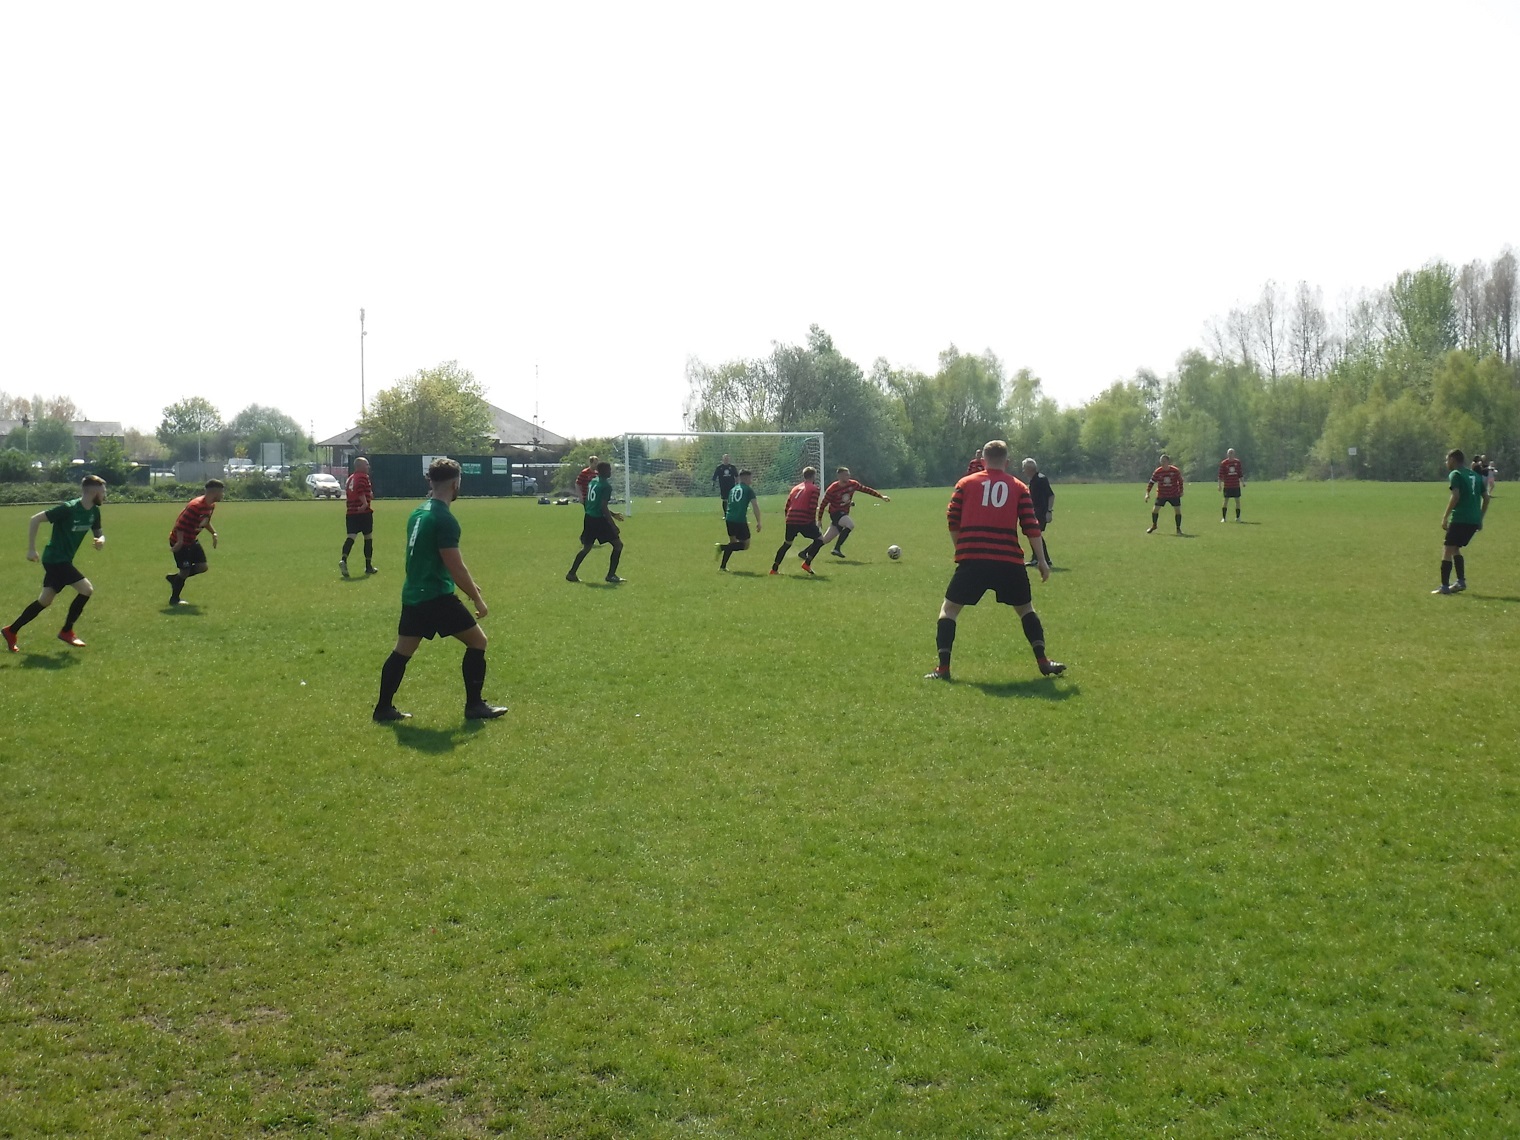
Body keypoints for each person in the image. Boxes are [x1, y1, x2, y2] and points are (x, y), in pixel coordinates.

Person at [373, 457, 507, 722]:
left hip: (414, 593)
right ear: (456, 484)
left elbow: (428, 556)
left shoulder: (418, 512)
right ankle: (474, 706)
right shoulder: (444, 518)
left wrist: (467, 586)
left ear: (431, 482)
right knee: (478, 641)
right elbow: (455, 566)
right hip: (436, 596)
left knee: (402, 651)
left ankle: (383, 709)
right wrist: (477, 599)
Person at [925, 440, 1064, 681]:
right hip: (1008, 560)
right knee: (1025, 610)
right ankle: (1043, 661)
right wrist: (1041, 561)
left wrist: (962, 549)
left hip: (973, 560)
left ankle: (943, 668)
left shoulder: (965, 483)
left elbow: (952, 519)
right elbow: (1031, 527)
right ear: (1007, 462)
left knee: (949, 611)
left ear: (982, 461)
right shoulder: (1020, 487)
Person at [3, 475, 107, 652]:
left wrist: (101, 540)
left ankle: (11, 631)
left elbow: (99, 533)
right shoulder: (68, 509)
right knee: (86, 589)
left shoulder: (94, 511)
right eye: (104, 492)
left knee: (45, 600)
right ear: (94, 491)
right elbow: (35, 519)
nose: (105, 495)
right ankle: (67, 631)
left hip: (63, 560)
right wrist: (31, 549)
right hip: (55, 559)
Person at [1433, 448, 1490, 595]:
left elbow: (1455, 496)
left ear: (1453, 460)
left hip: (1460, 518)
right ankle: (1460, 582)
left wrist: (1445, 516)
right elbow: (1487, 498)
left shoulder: (1456, 474)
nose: (1446, 463)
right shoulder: (1475, 475)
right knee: (1455, 548)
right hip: (1473, 520)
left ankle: (1444, 587)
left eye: (1447, 460)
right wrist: (1480, 518)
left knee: (1447, 549)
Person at [166, 479, 226, 605]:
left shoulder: (211, 506)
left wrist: (213, 533)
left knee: (202, 567)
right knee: (185, 571)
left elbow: (205, 521)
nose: (222, 495)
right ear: (214, 492)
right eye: (221, 492)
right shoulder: (195, 506)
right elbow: (180, 525)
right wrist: (180, 542)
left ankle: (175, 579)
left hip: (191, 539)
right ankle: (174, 599)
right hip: (180, 541)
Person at [567, 461, 625, 583]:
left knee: (586, 548)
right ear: (603, 471)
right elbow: (603, 507)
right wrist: (613, 525)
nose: (610, 472)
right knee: (618, 545)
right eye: (609, 470)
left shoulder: (593, 481)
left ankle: (571, 573)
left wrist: (613, 514)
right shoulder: (606, 486)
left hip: (589, 517)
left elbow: (595, 502)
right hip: (599, 519)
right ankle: (611, 575)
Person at [817, 466, 891, 557]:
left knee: (826, 539)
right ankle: (836, 548)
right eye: (845, 475)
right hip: (835, 513)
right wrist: (819, 520)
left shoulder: (853, 484)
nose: (848, 476)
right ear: (839, 476)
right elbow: (823, 504)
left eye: (848, 474)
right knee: (850, 524)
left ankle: (805, 553)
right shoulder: (832, 489)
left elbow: (866, 490)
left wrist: (881, 496)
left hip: (844, 514)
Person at [771, 466, 826, 575]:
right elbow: (812, 507)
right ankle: (807, 563)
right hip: (804, 519)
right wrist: (812, 522)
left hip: (791, 519)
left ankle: (774, 569)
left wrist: (788, 519)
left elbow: (787, 506)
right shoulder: (814, 489)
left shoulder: (795, 488)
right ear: (814, 476)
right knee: (820, 540)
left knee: (787, 544)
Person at [716, 468, 761, 570]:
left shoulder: (733, 489)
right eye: (750, 478)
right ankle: (721, 547)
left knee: (733, 543)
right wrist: (759, 522)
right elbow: (755, 506)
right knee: (745, 545)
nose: (751, 480)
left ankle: (722, 567)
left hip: (729, 518)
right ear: (746, 478)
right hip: (739, 520)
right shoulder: (749, 490)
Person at [340, 456, 377, 577]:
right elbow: (360, 490)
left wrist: (369, 494)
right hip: (363, 512)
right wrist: (365, 503)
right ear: (360, 466)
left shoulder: (350, 478)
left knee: (351, 537)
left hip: (351, 512)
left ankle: (344, 560)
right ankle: (368, 566)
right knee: (368, 538)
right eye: (366, 464)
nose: (368, 467)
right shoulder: (362, 477)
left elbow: (354, 491)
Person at [1020, 458, 1055, 566]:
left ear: (1029, 469)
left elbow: (1051, 495)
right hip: (1034, 511)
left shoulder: (1041, 479)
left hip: (1041, 512)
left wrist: (1049, 511)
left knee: (1035, 534)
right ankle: (1038, 558)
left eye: (1024, 468)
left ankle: (1043, 559)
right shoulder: (1034, 480)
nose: (1023, 471)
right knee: (1035, 534)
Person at [1145, 454, 1184, 534]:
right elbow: (1151, 482)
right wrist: (1147, 493)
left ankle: (1178, 528)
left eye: (1164, 461)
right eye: (1161, 461)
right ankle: (1154, 525)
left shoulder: (1175, 470)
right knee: (1155, 510)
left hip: (1173, 494)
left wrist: (1181, 491)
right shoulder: (1158, 471)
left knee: (1177, 511)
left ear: (1168, 462)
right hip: (1162, 494)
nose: (1162, 463)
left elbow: (1180, 481)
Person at [1218, 448, 1244, 521]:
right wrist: (1219, 485)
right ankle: (1224, 518)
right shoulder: (1224, 463)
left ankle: (1238, 517)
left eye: (1232, 453)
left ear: (1234, 454)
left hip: (1235, 485)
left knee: (1237, 501)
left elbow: (1240, 473)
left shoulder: (1237, 462)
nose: (1230, 455)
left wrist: (1243, 482)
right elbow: (1220, 475)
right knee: (1225, 501)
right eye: (1229, 453)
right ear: (1227, 454)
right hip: (1227, 485)